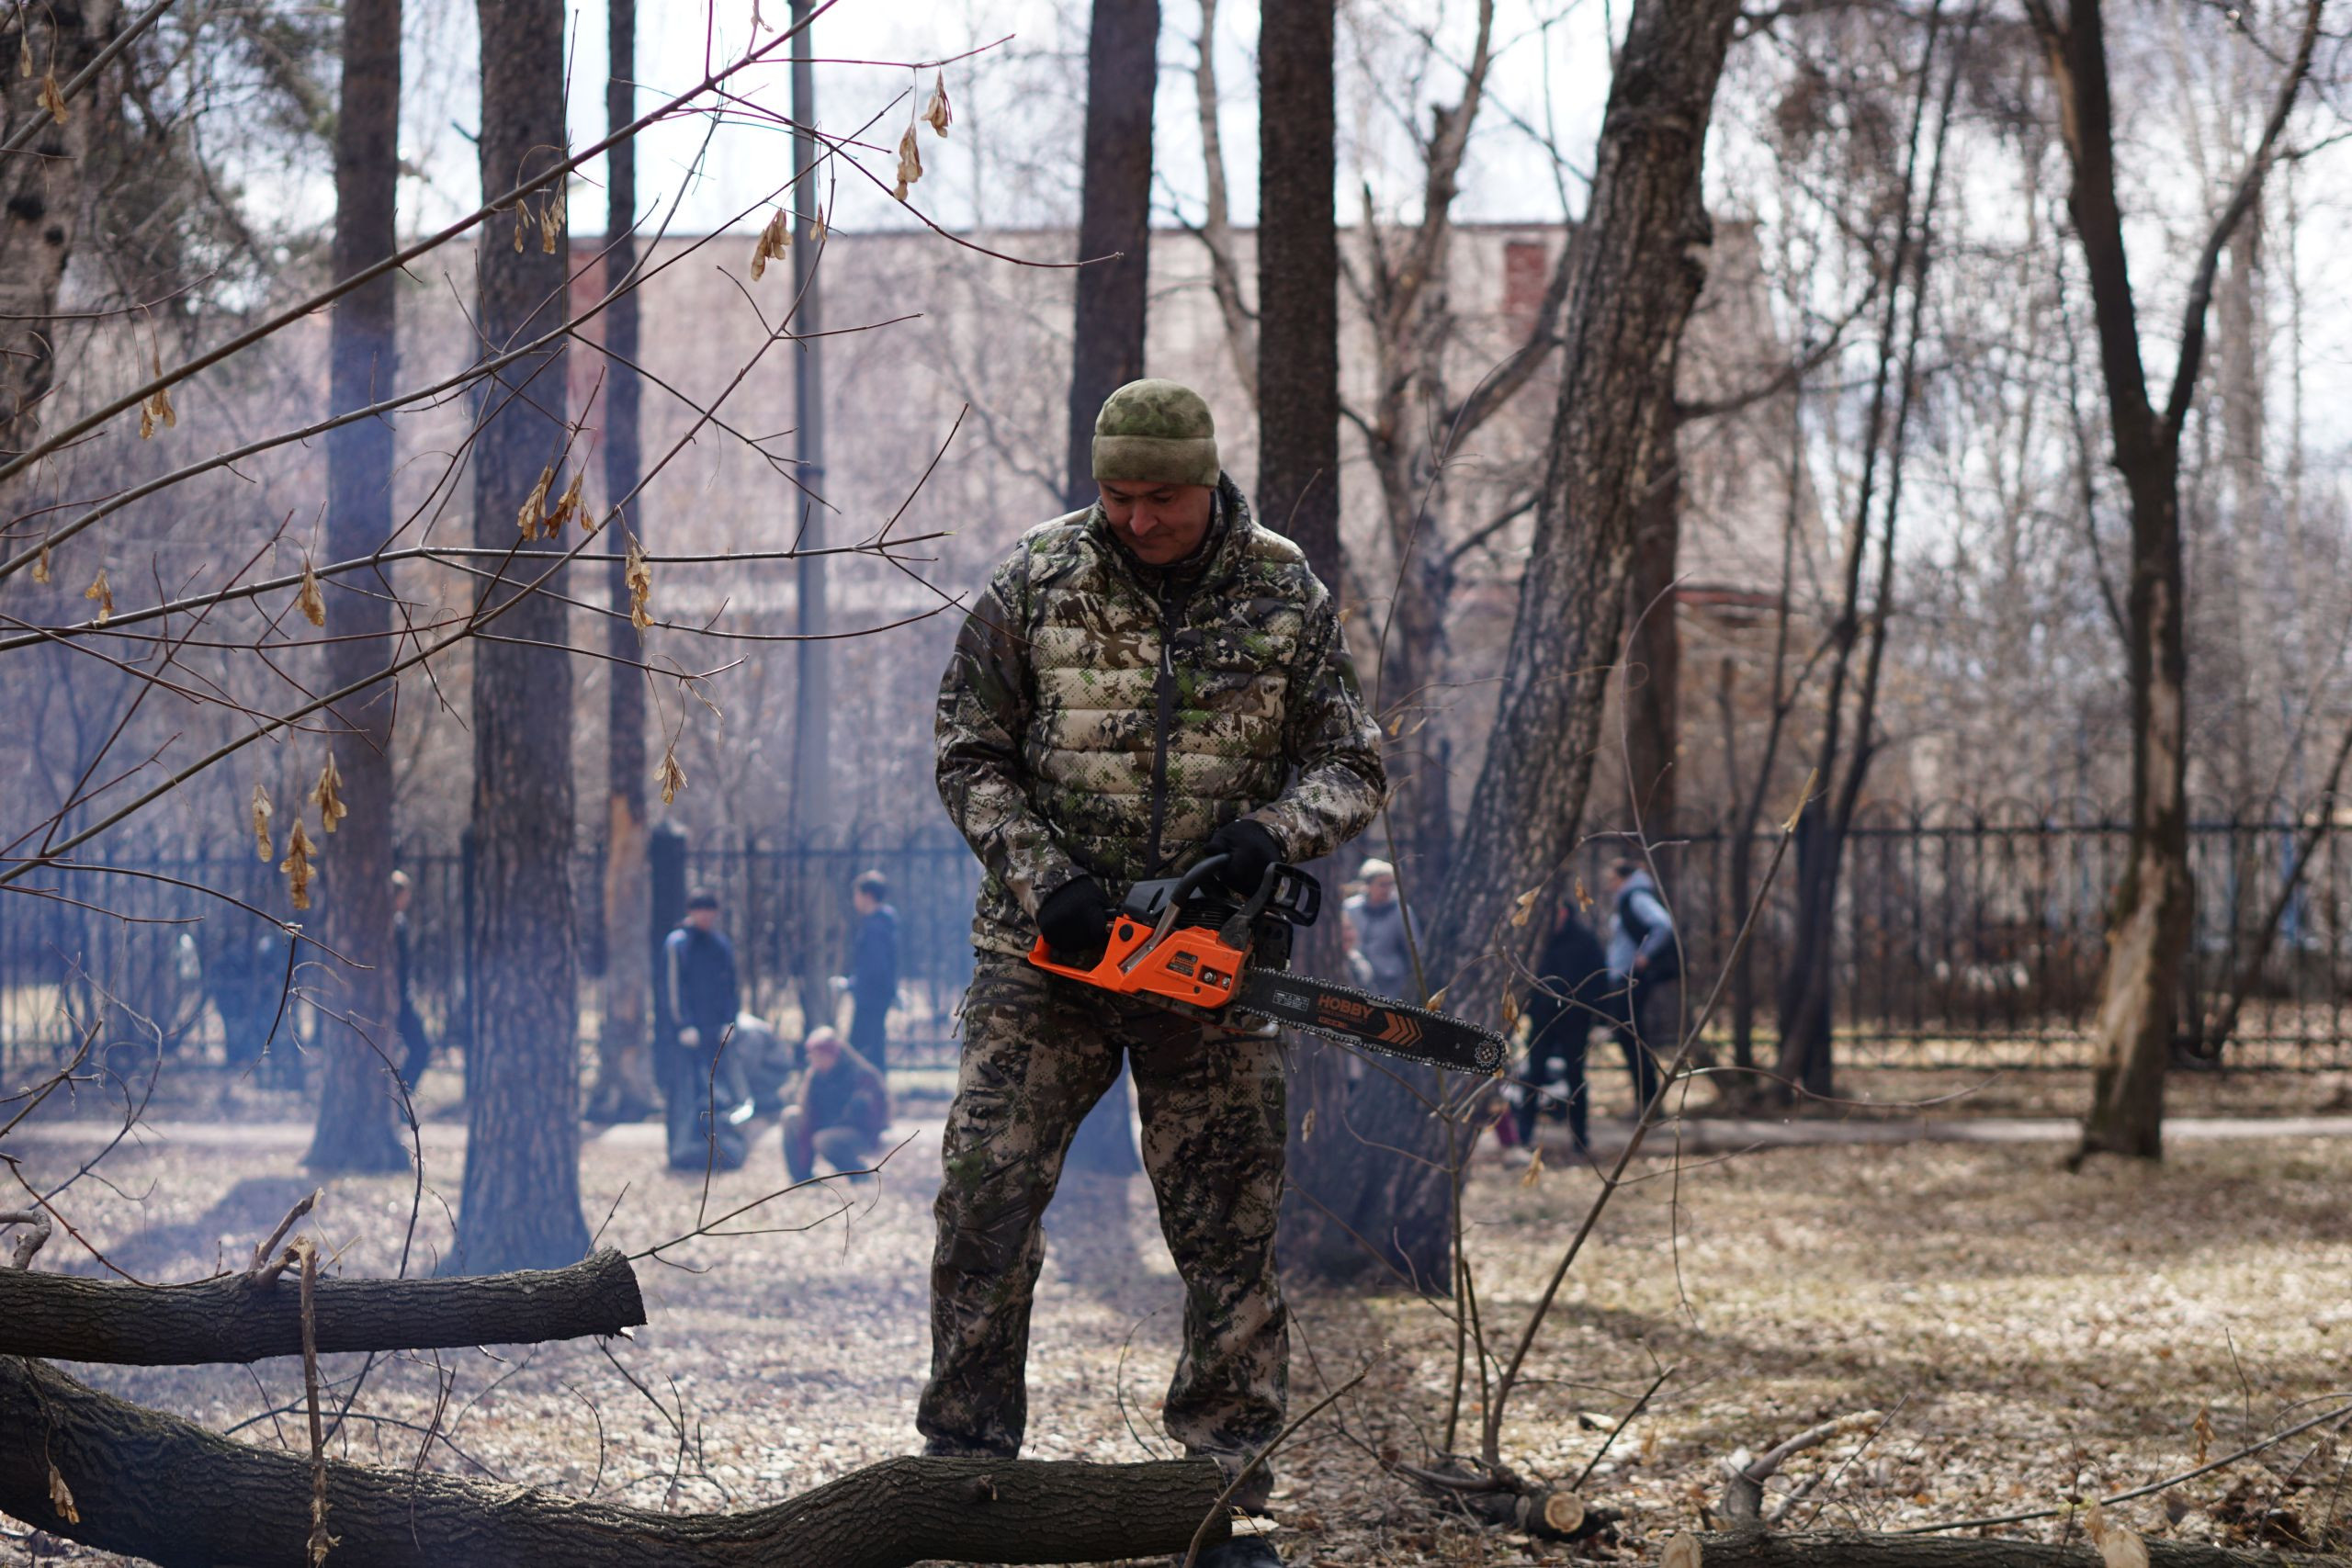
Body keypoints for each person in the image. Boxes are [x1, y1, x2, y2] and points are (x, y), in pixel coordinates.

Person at [925, 377, 1386, 1566]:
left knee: (1229, 1227)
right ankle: (965, 1470)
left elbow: (1352, 763)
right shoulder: (1035, 579)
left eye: (1161, 496)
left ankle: (1222, 1492)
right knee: (985, 1197)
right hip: (1047, 959)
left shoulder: (1283, 587)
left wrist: (1264, 836)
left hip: (1213, 969)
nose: (1138, 517)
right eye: (1118, 495)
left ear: (1206, 479)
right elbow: (967, 749)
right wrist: (1048, 880)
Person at [656, 890, 751, 1171]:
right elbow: (673, 987)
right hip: (686, 1035)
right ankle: (682, 1149)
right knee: (685, 1089)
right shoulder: (678, 943)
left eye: (711, 912)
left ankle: (715, 1149)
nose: (706, 917)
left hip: (715, 1033)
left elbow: (730, 986)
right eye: (701, 911)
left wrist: (728, 1021)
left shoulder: (720, 944)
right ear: (692, 912)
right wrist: (683, 1024)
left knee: (717, 1092)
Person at [1511, 898, 1612, 1153]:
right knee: (1532, 1075)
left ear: (1563, 912)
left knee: (1575, 1076)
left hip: (1575, 1020)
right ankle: (1524, 1135)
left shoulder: (1585, 941)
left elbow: (1600, 980)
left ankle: (1580, 1137)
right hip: (1542, 1019)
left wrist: (1601, 1020)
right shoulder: (1539, 940)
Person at [1601, 858, 1678, 1114]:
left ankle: (1649, 1101)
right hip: (1622, 976)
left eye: (1612, 880)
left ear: (1623, 878)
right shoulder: (1628, 897)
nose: (1610, 886)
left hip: (1631, 979)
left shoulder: (1635, 897)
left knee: (1632, 1038)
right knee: (1627, 1038)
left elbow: (1663, 925)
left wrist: (1645, 955)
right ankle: (1646, 1100)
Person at [782, 1026, 889, 1183]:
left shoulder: (860, 1075)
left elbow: (876, 1113)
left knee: (824, 1139)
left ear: (832, 1055)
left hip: (855, 1132)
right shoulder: (814, 1077)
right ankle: (801, 1176)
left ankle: (857, 1172)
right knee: (791, 1116)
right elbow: (807, 1111)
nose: (813, 1060)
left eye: (818, 1055)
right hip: (824, 1126)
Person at [1340, 858, 1418, 999]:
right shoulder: (1350, 908)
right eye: (1382, 885)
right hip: (1355, 978)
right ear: (1368, 885)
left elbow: (1414, 951)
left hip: (1390, 985)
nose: (1387, 889)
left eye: (1390, 884)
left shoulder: (1401, 912)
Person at [847, 870, 899, 1073]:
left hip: (870, 998)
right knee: (874, 1047)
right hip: (877, 996)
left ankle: (871, 1097)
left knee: (863, 1051)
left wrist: (856, 983)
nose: (855, 900)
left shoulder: (875, 927)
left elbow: (875, 966)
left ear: (867, 896)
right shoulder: (884, 924)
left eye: (857, 895)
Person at [391, 870, 435, 1091]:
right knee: (421, 1047)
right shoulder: (395, 924)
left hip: (400, 997)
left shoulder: (399, 922)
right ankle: (400, 1097)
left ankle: (400, 1097)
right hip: (397, 999)